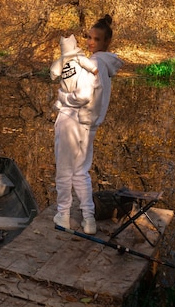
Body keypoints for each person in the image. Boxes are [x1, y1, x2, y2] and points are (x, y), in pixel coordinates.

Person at [52, 14, 123, 235]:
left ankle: (63, 215)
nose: (91, 42)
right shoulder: (106, 65)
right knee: (81, 172)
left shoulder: (93, 63)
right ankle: (89, 219)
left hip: (72, 120)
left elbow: (81, 95)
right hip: (89, 125)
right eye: (89, 37)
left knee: (64, 171)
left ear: (106, 42)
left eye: (97, 39)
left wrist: (62, 99)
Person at [50, 34, 98, 112]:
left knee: (63, 90)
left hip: (66, 84)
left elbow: (53, 72)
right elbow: (85, 62)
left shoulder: (60, 61)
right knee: (83, 80)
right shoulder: (77, 56)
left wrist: (54, 75)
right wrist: (93, 69)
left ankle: (60, 101)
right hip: (77, 84)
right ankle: (83, 105)